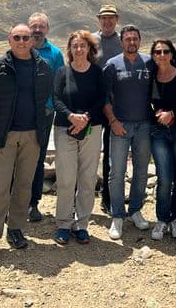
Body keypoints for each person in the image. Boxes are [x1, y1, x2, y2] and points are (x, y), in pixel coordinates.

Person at [0, 24, 53, 260]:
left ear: (32, 40)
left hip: (32, 135)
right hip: (4, 136)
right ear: (9, 40)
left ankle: (16, 229)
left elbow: (45, 99)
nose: (22, 41)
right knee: (0, 187)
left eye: (26, 37)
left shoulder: (43, 67)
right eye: (17, 37)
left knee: (23, 185)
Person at [52, 30, 106, 244]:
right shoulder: (62, 73)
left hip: (91, 129)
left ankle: (81, 223)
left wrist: (85, 117)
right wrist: (71, 116)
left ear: (90, 49)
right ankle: (63, 224)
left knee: (87, 177)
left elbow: (102, 98)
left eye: (83, 45)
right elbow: (56, 98)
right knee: (66, 178)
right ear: (70, 49)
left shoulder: (96, 73)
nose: (79, 49)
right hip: (65, 129)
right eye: (75, 46)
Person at [102, 24, 153, 239]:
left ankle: (135, 211)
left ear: (140, 41)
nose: (132, 42)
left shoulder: (149, 63)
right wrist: (113, 121)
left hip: (144, 125)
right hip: (120, 126)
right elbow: (104, 99)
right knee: (116, 173)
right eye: (128, 39)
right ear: (121, 42)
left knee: (141, 171)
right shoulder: (112, 65)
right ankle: (117, 216)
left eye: (135, 39)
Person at [147, 39, 176, 241]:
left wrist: (172, 114)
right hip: (159, 133)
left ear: (172, 54)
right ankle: (162, 218)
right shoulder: (151, 77)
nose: (162, 55)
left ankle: (175, 218)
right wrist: (155, 116)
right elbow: (145, 103)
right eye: (157, 52)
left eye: (165, 51)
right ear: (153, 55)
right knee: (164, 177)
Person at [27, 12, 65, 222]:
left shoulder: (55, 53)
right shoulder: (21, 48)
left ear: (47, 30)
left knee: (38, 158)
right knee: (18, 158)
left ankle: (33, 204)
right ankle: (15, 203)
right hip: (21, 113)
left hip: (45, 113)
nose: (37, 30)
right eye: (34, 26)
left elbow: (60, 83)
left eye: (41, 27)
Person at [93, 4, 121, 215]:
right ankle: (79, 197)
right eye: (104, 18)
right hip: (92, 104)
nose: (107, 21)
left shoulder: (123, 41)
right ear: (98, 20)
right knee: (87, 151)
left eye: (111, 18)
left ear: (116, 19)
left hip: (115, 106)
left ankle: (108, 197)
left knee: (111, 153)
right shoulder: (91, 41)